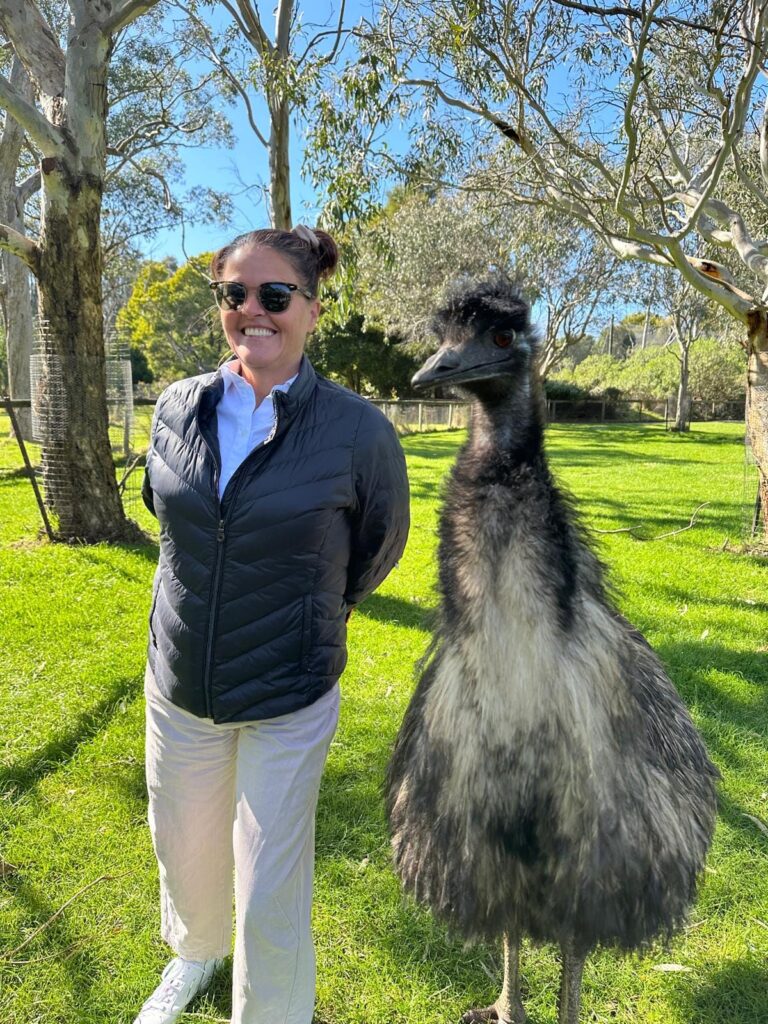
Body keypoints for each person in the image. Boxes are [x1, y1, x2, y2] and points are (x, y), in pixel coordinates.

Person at [136, 225, 410, 1024]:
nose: (253, 311)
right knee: (185, 855)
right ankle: (194, 954)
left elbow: (378, 545)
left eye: (275, 296)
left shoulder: (357, 431)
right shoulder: (177, 406)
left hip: (288, 692)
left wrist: (317, 608)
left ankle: (271, 1014)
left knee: (268, 886)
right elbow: (168, 517)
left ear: (312, 309)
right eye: (235, 294)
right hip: (180, 680)